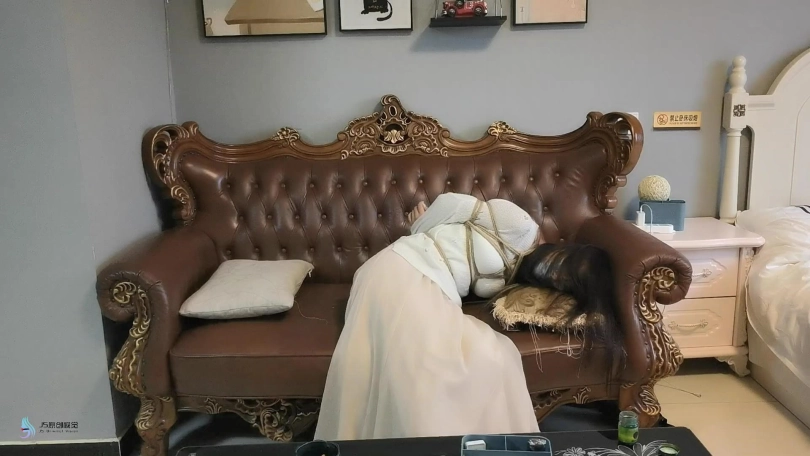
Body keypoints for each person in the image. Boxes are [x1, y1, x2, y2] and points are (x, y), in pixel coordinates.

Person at [314, 193, 617, 440]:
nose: (557, 275)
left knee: (494, 357)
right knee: (431, 366)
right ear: (564, 252)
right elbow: (452, 203)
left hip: (431, 286)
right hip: (404, 267)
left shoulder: (518, 277)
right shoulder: (521, 225)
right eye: (563, 267)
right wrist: (420, 225)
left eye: (565, 281)